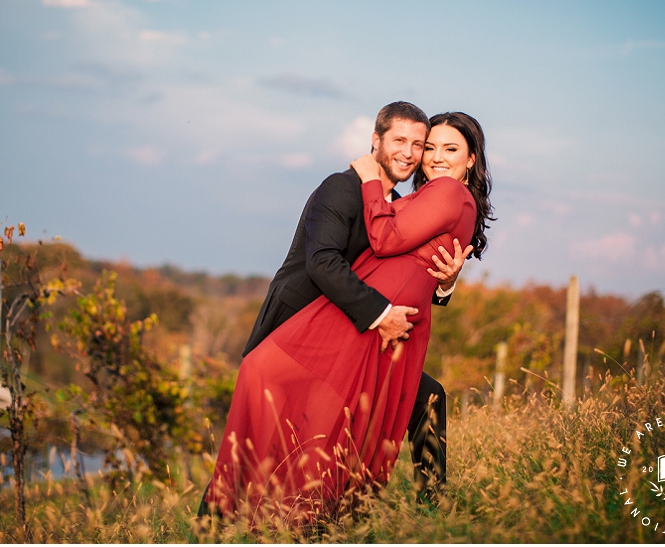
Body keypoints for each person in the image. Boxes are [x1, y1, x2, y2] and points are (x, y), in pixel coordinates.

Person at [202, 109, 494, 522]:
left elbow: (407, 257)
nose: (421, 154)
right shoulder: (345, 188)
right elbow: (323, 262)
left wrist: (446, 283)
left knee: (420, 399)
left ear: (471, 159)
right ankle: (227, 512)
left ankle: (417, 511)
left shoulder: (416, 198)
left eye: (427, 145)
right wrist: (381, 312)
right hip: (312, 310)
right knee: (274, 389)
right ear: (375, 142)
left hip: (374, 321)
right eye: (415, 144)